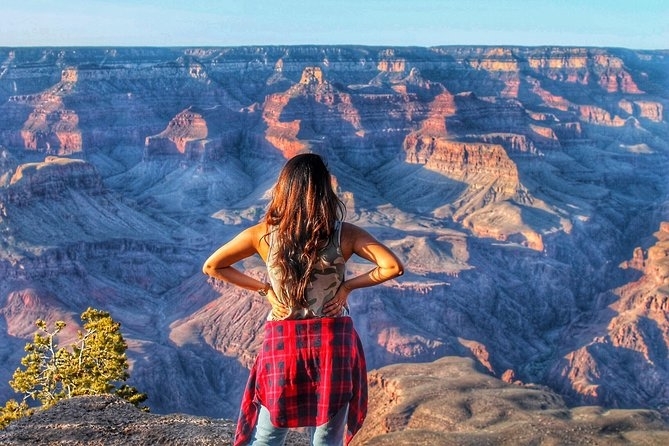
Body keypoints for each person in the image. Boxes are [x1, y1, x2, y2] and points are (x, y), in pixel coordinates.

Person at [203, 153, 404, 445]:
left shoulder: (262, 235)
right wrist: (347, 287)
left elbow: (213, 266)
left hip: (284, 342)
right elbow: (393, 267)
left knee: (270, 430)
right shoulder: (344, 234)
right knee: (327, 433)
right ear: (326, 191)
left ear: (282, 189)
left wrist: (265, 290)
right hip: (332, 342)